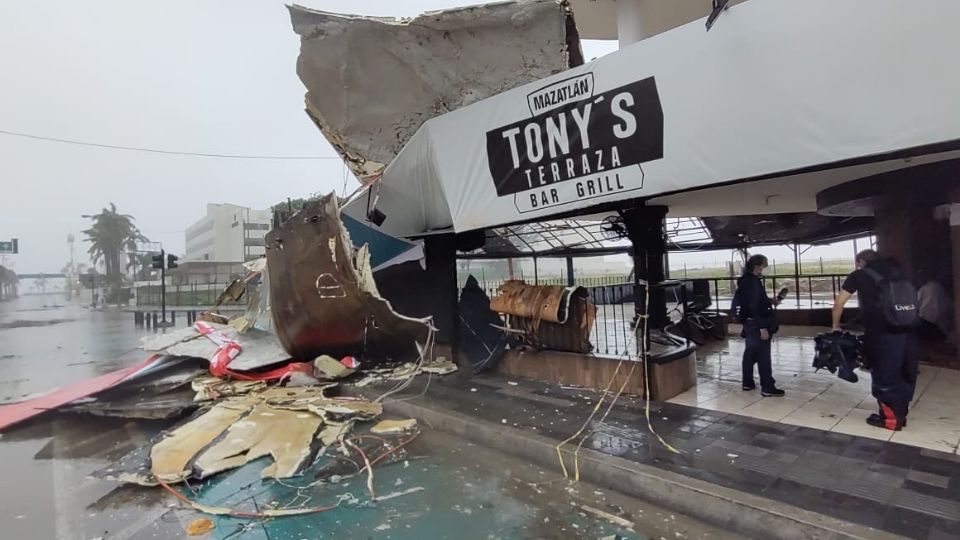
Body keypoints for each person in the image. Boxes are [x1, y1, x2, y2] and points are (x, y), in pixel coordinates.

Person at [832, 250, 917, 431]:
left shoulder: (860, 275)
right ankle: (901, 413)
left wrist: (835, 325)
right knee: (905, 372)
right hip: (908, 329)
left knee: (884, 374)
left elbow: (839, 303)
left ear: (861, 261)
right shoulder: (896, 272)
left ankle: (890, 420)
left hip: (882, 332)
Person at [735, 254, 785, 397]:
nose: (766, 267)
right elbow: (754, 305)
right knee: (763, 355)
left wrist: (770, 301)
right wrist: (762, 327)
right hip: (757, 323)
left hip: (749, 322)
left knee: (750, 353)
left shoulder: (745, 280)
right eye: (764, 264)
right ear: (757, 265)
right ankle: (767, 387)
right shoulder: (753, 282)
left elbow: (754, 301)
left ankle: (747, 382)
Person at [916, 270, 951, 342]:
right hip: (940, 316)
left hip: (927, 318)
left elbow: (917, 303)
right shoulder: (939, 286)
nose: (919, 280)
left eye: (920, 278)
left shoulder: (923, 289)